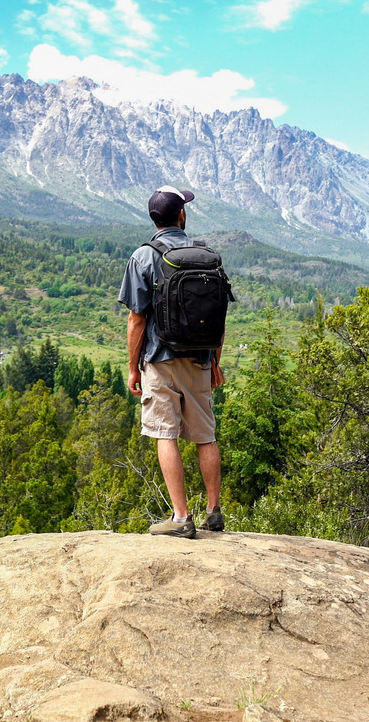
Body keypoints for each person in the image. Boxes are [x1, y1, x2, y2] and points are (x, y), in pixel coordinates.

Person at [119, 185, 225, 538]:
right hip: (199, 359)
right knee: (205, 436)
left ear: (154, 218)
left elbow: (137, 319)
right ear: (181, 215)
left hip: (160, 360)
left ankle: (181, 519)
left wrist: (133, 367)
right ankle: (214, 511)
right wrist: (214, 362)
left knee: (166, 434)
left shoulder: (143, 256)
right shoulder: (206, 256)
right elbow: (218, 317)